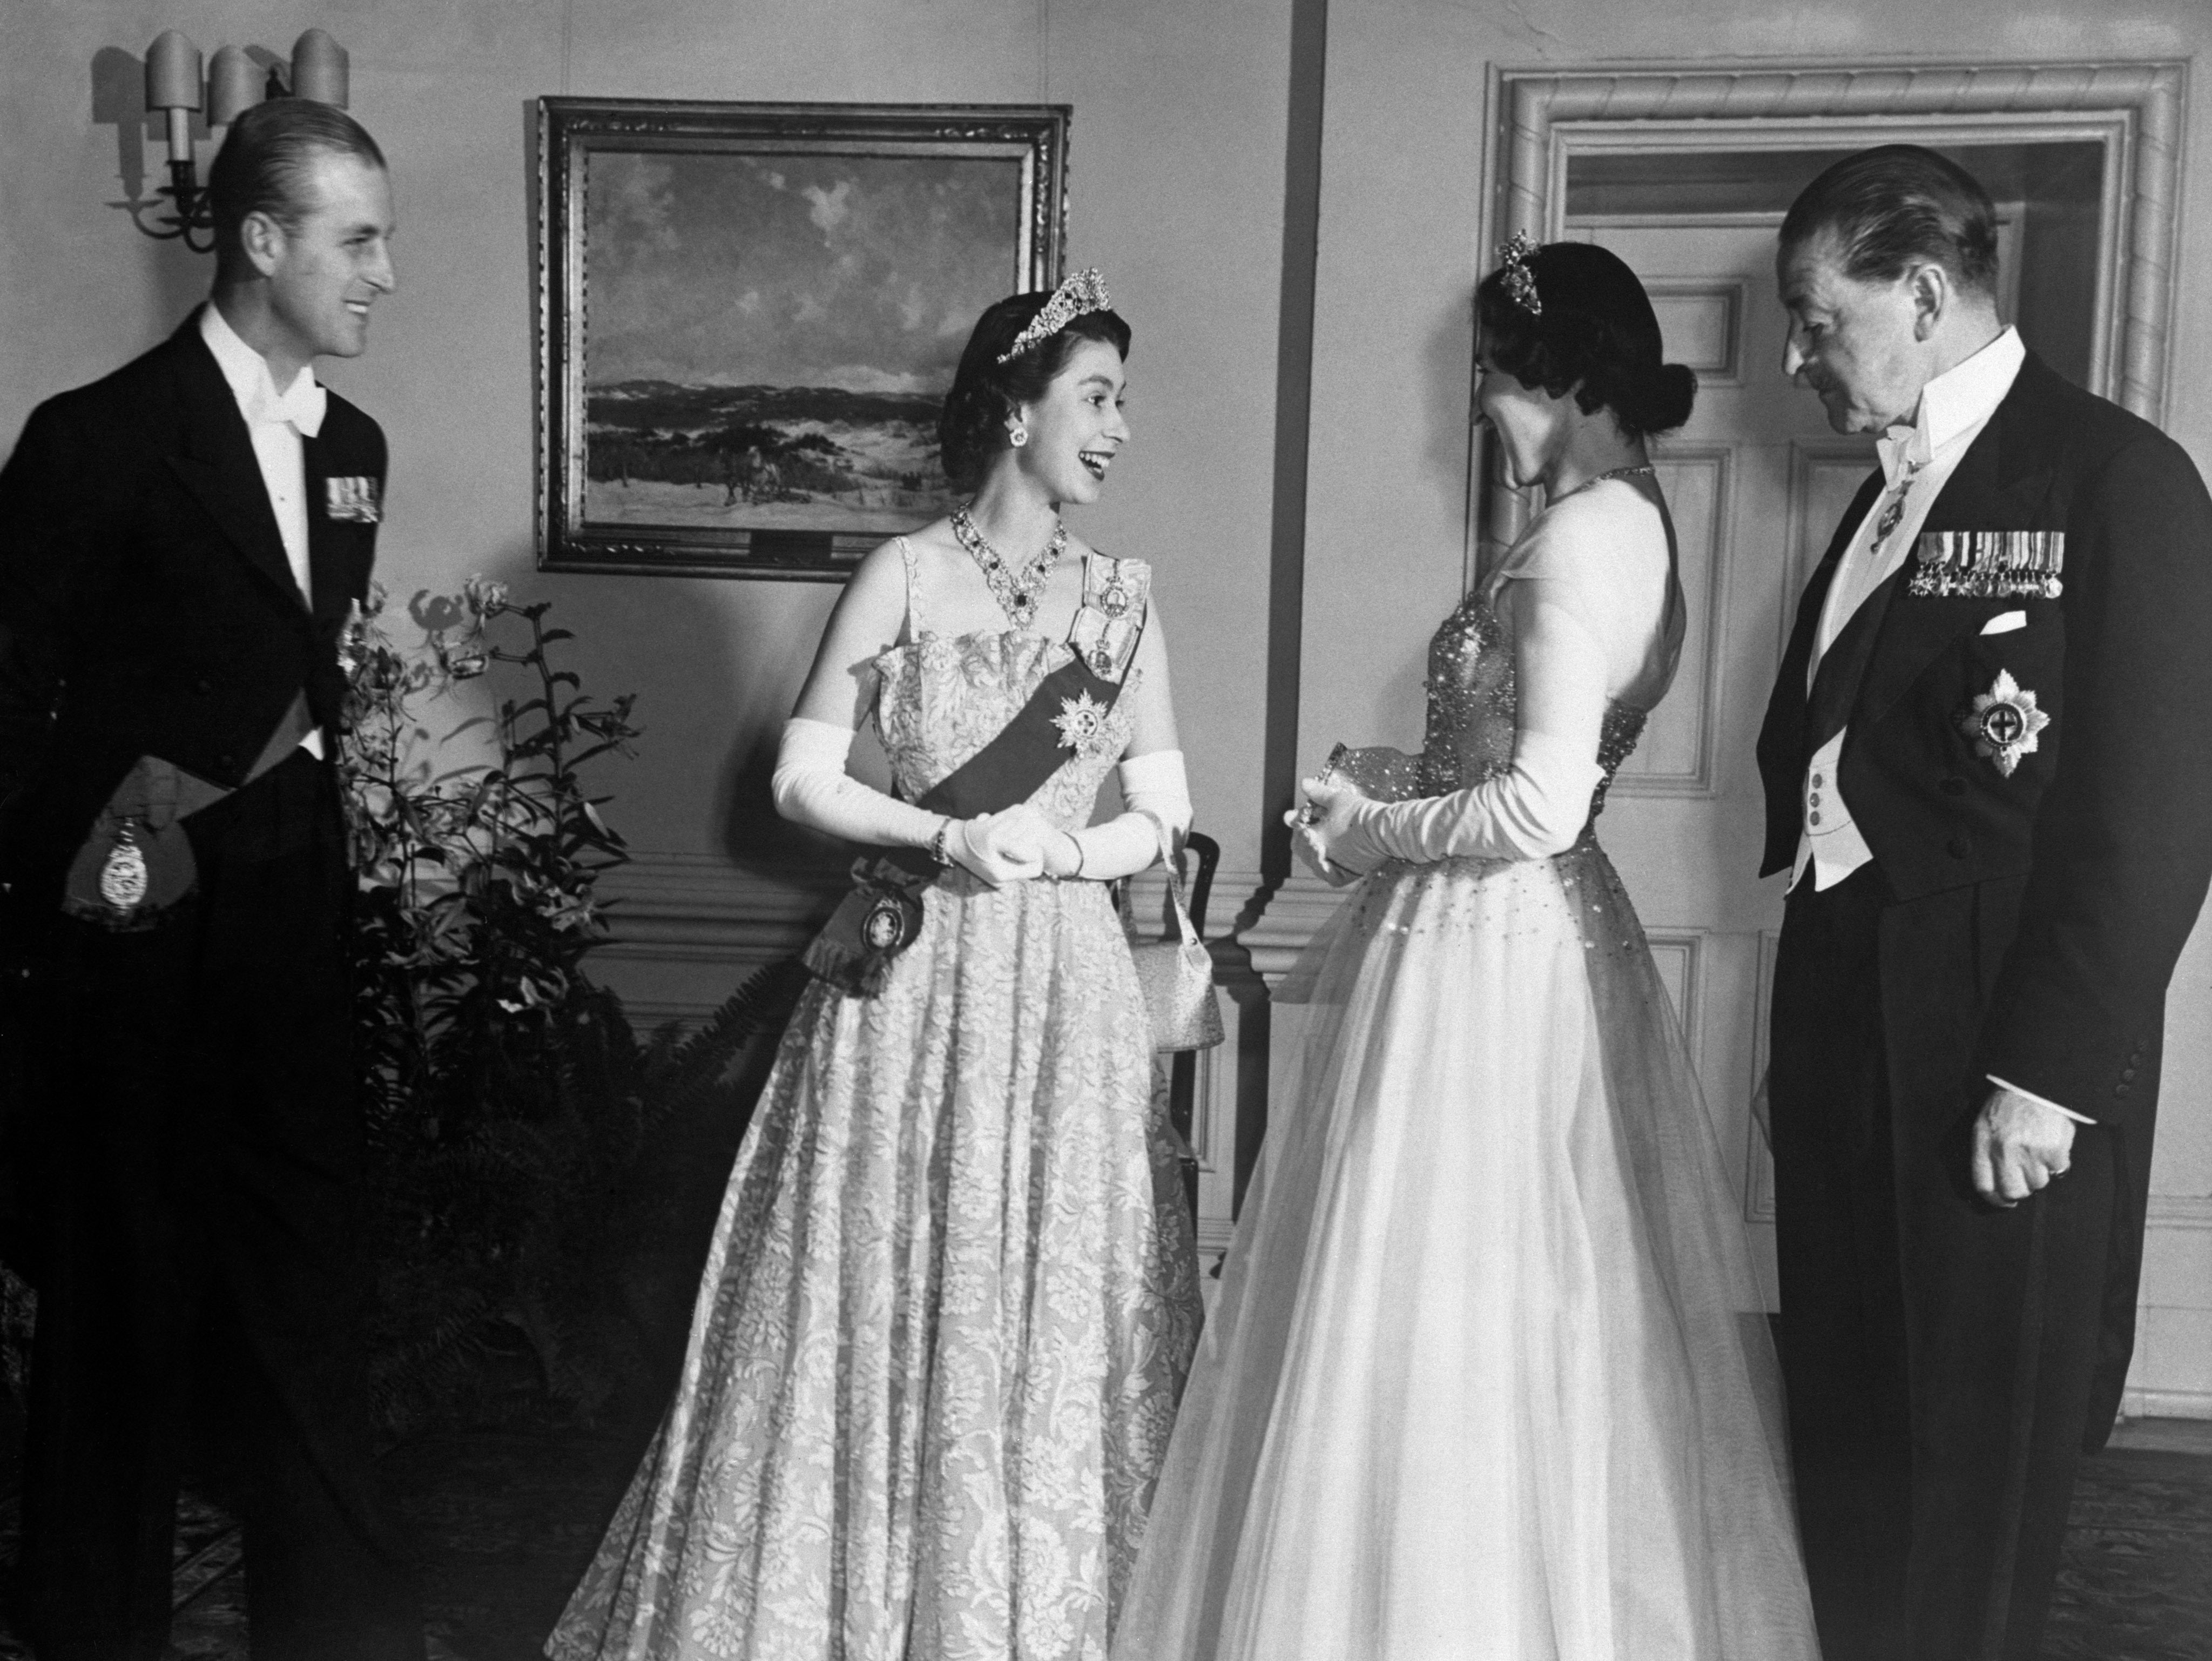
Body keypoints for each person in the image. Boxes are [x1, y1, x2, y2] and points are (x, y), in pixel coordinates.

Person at [1114, 240, 1818, 1661]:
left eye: (1490, 380)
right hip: (1503, 940)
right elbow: (1497, 751)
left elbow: (1544, 801)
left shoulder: (1578, 545)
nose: (1477, 414)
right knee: (1497, 1295)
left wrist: (1371, 824)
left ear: (1562, 379)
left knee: (1446, 1298)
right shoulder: (1621, 522)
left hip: (1492, 956)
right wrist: (1379, 780)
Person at [548, 271, 1203, 1661]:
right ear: (1014, 409)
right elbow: (798, 778)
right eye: (1095, 397)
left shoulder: (1125, 605)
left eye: (1122, 403)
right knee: (882, 1282)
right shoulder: (903, 573)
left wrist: (1067, 856)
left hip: (1061, 991)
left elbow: (1165, 809)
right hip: (908, 983)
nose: (1118, 429)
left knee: (1042, 1291)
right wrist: (947, 829)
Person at [1756, 143, 2212, 1661]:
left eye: (1821, 321)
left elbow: (2149, 815)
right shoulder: (1889, 494)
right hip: (1852, 1042)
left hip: (1990, 1063)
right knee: (1853, 1440)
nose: (1802, 357)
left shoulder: (2112, 477)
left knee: (1970, 1475)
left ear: (1928, 293)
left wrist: (2049, 1074)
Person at [0, 100, 422, 1658]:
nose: (386, 272)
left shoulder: (355, 450)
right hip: (128, 927)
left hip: (290, 927)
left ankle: (346, 1634)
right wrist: (76, 899)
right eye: (356, 239)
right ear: (258, 240)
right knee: (121, 1303)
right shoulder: (94, 440)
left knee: (314, 1294)